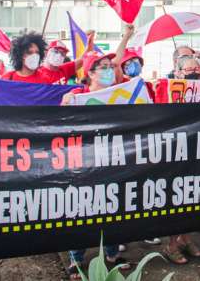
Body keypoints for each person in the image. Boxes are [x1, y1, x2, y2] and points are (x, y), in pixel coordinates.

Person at [60, 51, 130, 279]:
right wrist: (66, 101)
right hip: (84, 165)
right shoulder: (78, 95)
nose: (110, 70)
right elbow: (61, 123)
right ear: (90, 73)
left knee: (114, 208)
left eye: (111, 66)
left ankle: (112, 254)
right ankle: (76, 258)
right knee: (80, 210)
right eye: (104, 67)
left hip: (113, 162)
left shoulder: (121, 93)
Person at [163, 54, 200, 264]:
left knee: (192, 198)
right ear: (178, 72)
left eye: (197, 69)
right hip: (174, 154)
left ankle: (186, 238)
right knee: (175, 198)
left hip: (197, 152)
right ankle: (171, 244)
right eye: (189, 70)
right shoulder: (165, 89)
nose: (194, 73)